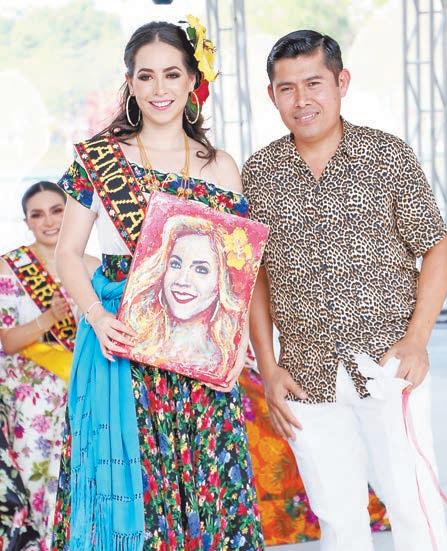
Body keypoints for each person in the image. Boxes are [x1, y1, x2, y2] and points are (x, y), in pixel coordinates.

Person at [52, 19, 264, 551]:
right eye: (145, 76)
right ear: (130, 84)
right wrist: (97, 318)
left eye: (172, 74)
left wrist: (237, 339)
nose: (159, 89)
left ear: (193, 80)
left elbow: (237, 268)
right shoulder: (99, 160)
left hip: (199, 352)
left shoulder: (220, 167)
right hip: (123, 345)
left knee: (212, 485)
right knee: (139, 494)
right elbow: (67, 253)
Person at [243, 30, 447, 551]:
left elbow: (437, 249)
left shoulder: (387, 156)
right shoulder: (259, 174)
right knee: (337, 517)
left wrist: (416, 341)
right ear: (271, 95)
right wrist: (268, 366)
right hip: (305, 373)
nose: (302, 99)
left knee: (412, 505)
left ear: (341, 82)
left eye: (314, 83)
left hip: (389, 364)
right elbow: (255, 276)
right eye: (287, 88)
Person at [0, 181, 98, 549]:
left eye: (57, 210)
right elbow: (8, 341)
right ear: (26, 221)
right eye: (37, 214)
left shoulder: (94, 267)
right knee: (37, 479)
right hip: (31, 397)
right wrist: (47, 320)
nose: (49, 221)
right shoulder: (9, 268)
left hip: (83, 387)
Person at [123, 215, 246, 376]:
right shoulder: (137, 341)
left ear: (221, 283)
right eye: (175, 264)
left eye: (201, 270)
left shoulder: (220, 360)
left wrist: (242, 346)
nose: (182, 280)